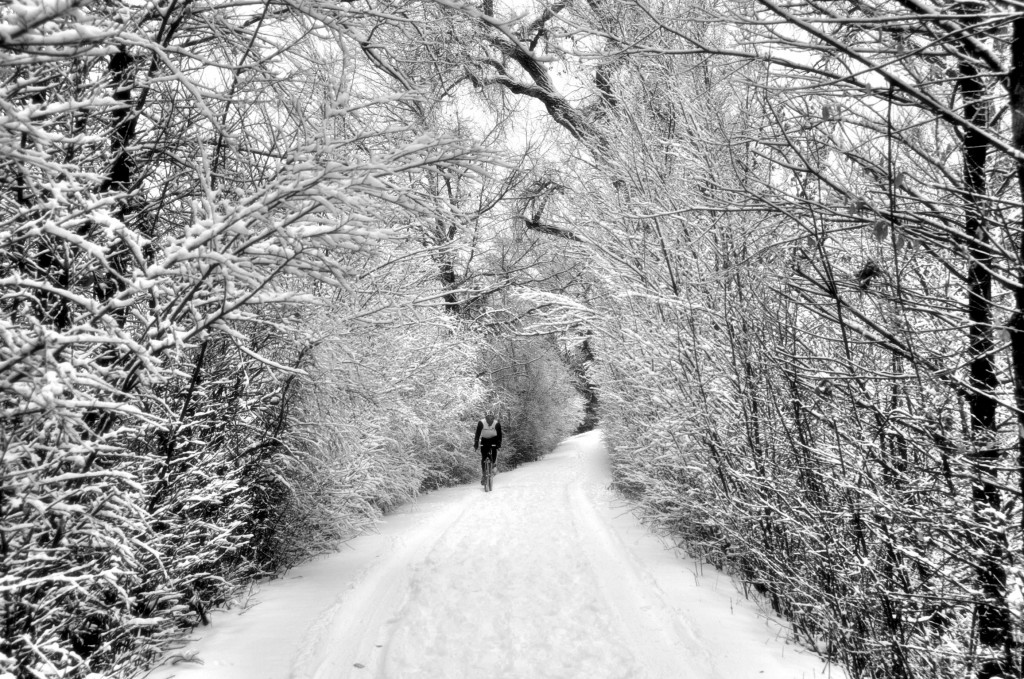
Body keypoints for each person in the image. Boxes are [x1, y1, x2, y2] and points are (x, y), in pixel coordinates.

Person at [474, 411, 502, 485]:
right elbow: (477, 433)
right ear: (485, 417)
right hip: (485, 439)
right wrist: (476, 443)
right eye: (488, 417)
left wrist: (499, 444)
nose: (490, 419)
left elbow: (499, 435)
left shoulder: (496, 424)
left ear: (493, 418)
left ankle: (492, 465)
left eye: (491, 417)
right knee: (484, 457)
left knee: (494, 450)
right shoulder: (481, 423)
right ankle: (484, 475)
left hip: (494, 439)